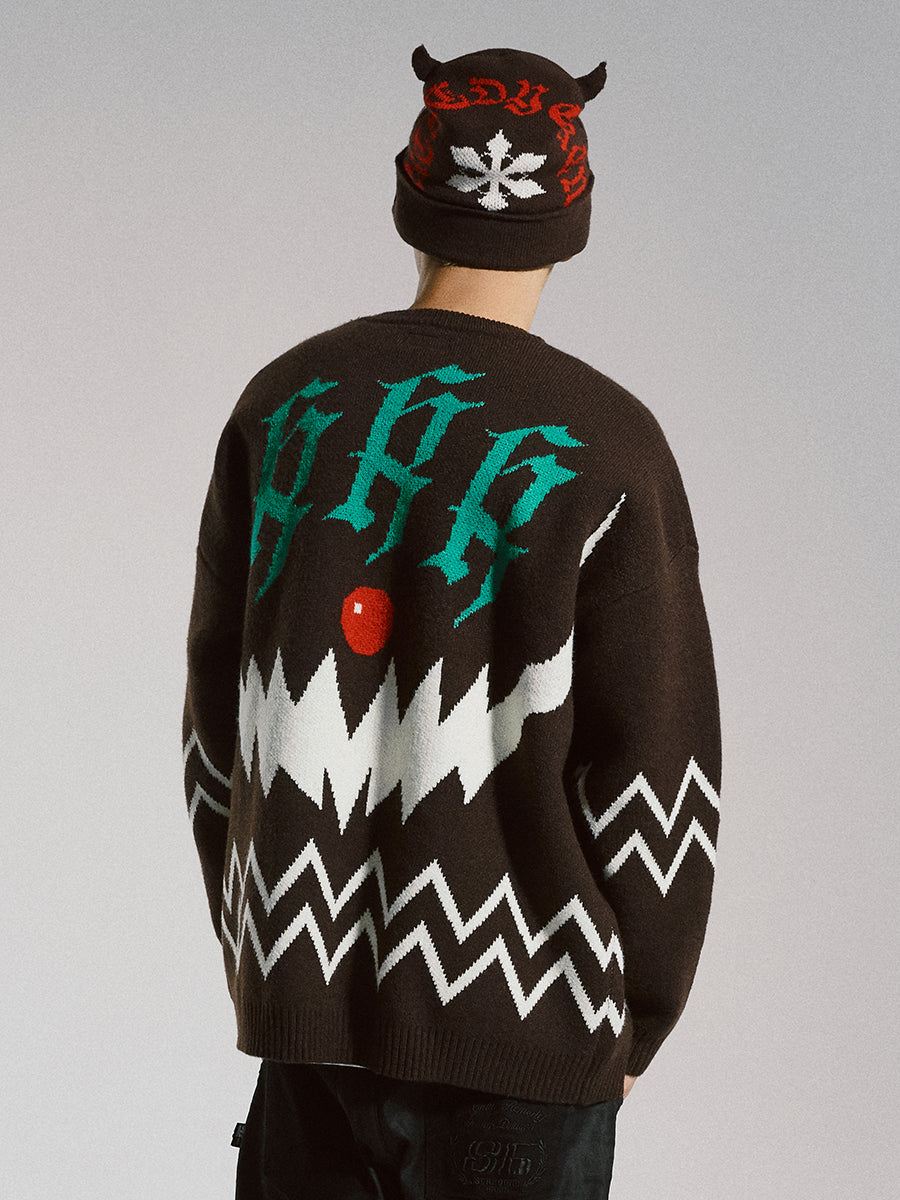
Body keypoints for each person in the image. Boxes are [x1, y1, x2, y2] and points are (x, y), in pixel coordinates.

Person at [183, 44, 721, 1199]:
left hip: (306, 1025)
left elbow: (220, 725)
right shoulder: (611, 448)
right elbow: (656, 767)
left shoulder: (285, 408)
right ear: (571, 220)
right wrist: (635, 1014)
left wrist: (274, 951)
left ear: (409, 196)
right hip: (525, 1042)